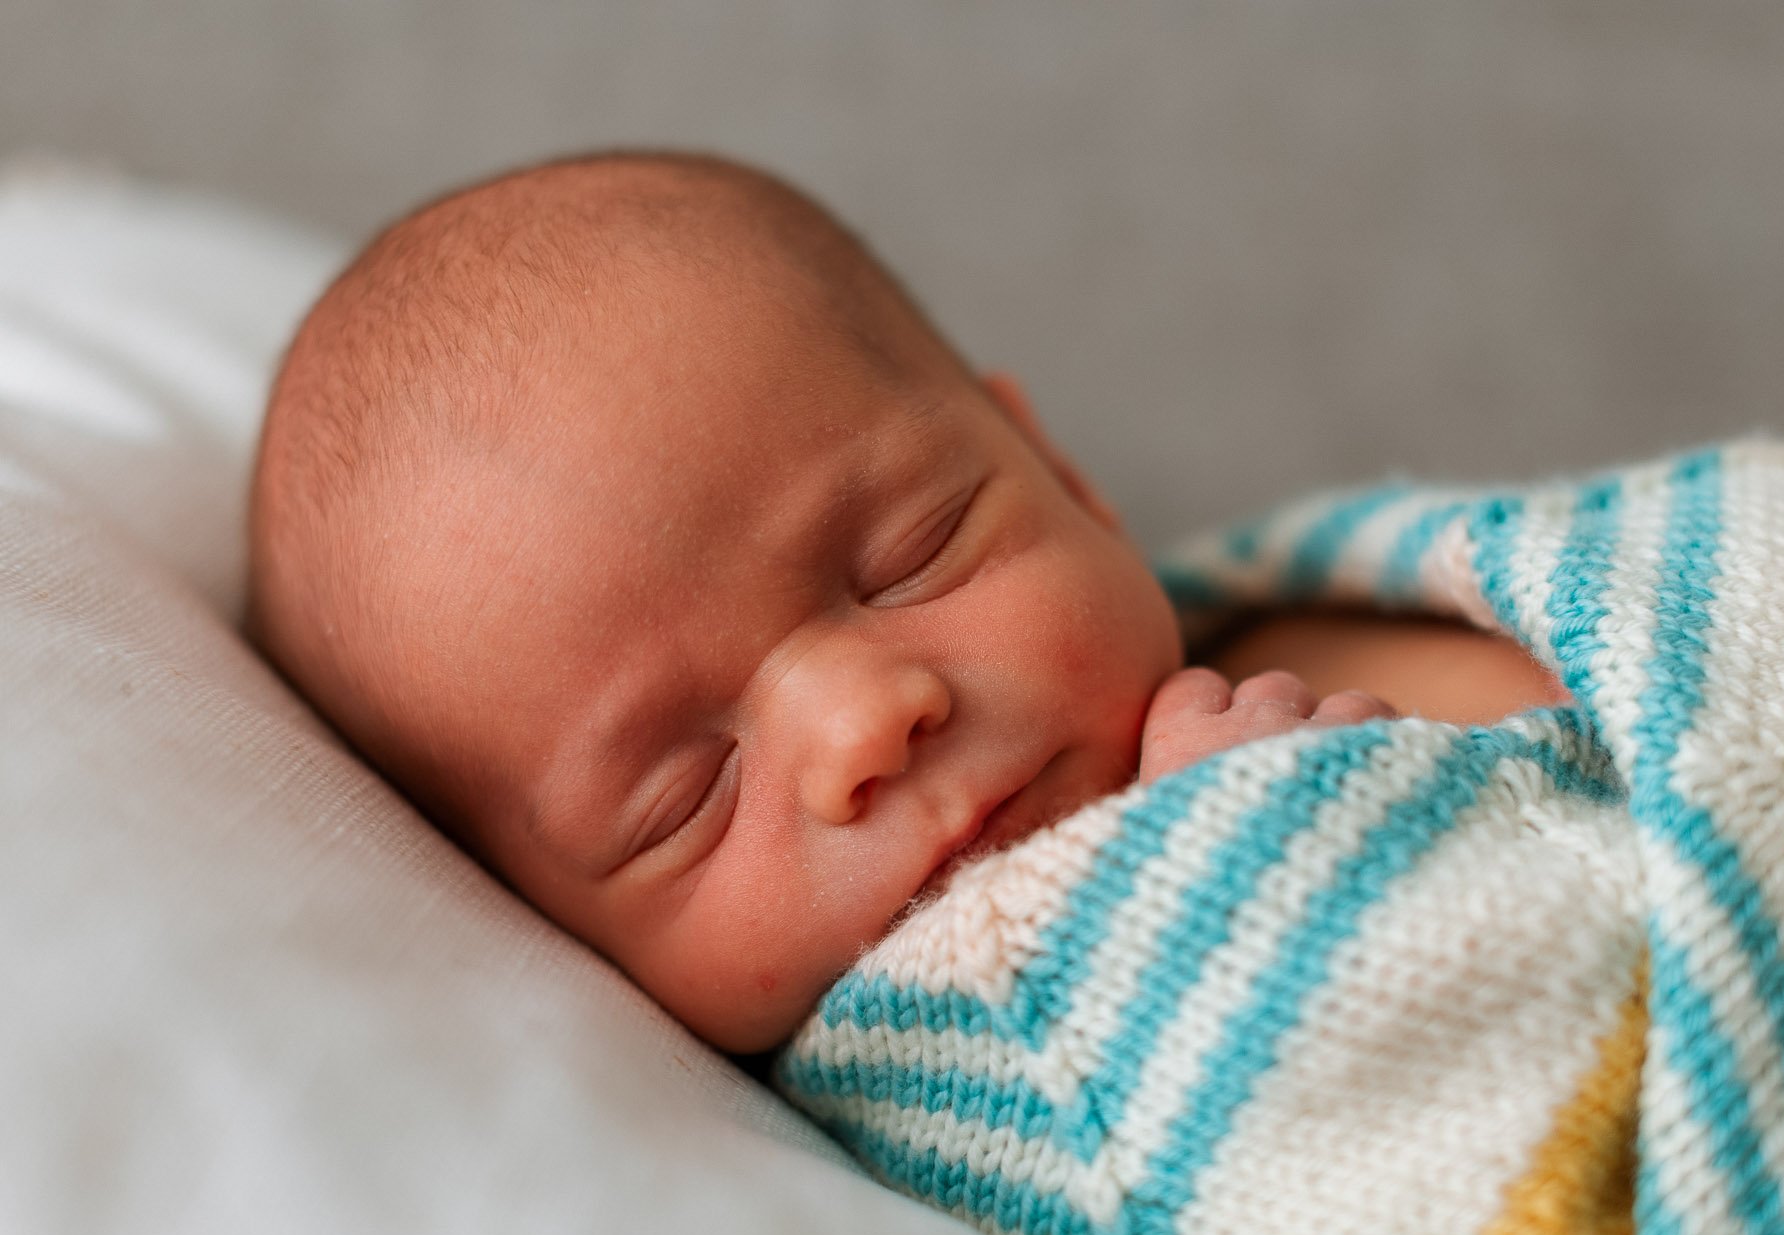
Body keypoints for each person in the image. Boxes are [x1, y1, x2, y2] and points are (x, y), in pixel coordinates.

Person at [246, 148, 1568, 1055]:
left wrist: (1346, 819)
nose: (867, 722)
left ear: (1059, 474)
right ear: (539, 925)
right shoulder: (875, 1149)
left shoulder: (1327, 640)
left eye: (915, 554)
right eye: (682, 798)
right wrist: (1229, 904)